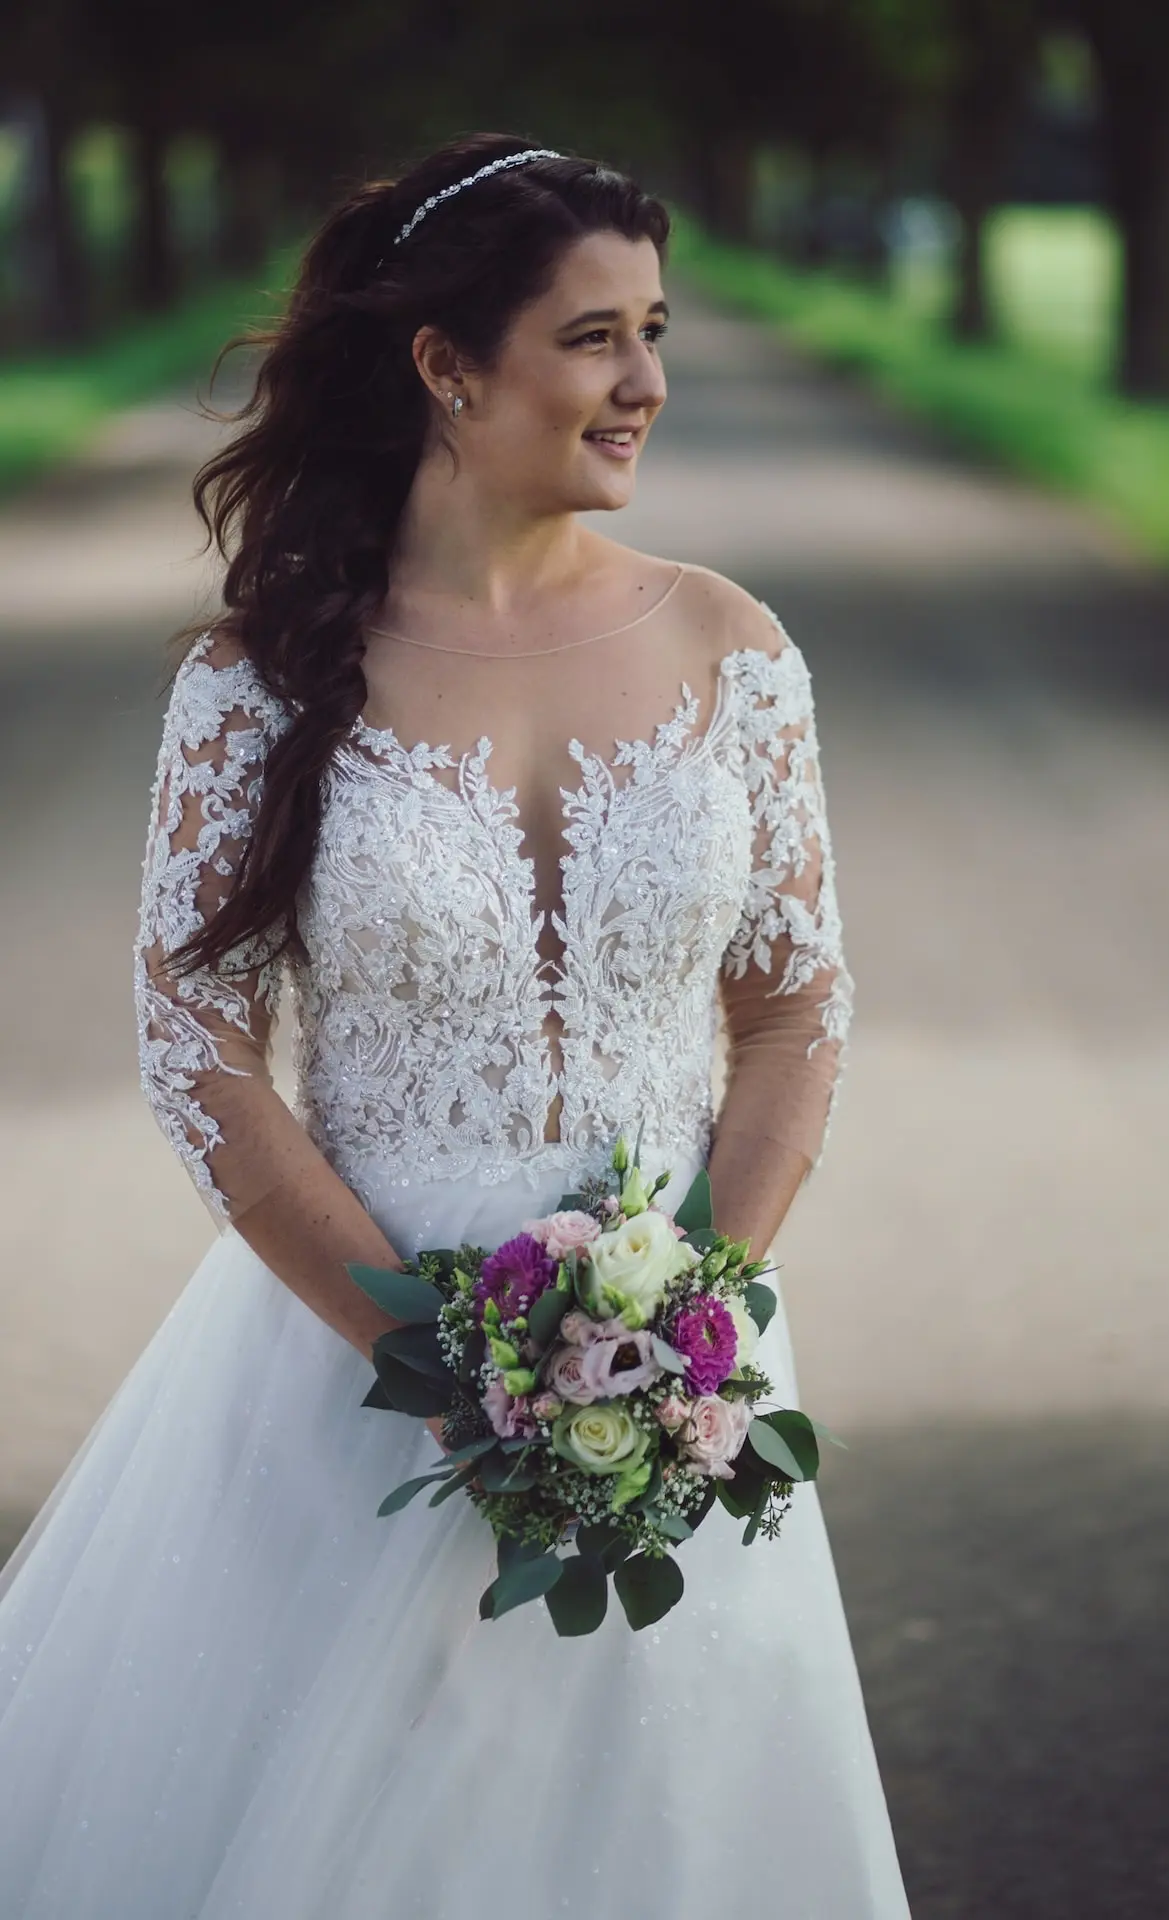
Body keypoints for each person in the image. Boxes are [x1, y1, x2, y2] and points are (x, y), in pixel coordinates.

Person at [0, 134, 910, 1917]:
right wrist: (440, 1367)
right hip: (355, 1357)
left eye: (653, 329)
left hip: (682, 1382)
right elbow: (195, 1038)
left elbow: (799, 1001)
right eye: (593, 338)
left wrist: (683, 1332)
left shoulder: (733, 647)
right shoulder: (261, 678)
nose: (647, 382)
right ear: (446, 365)